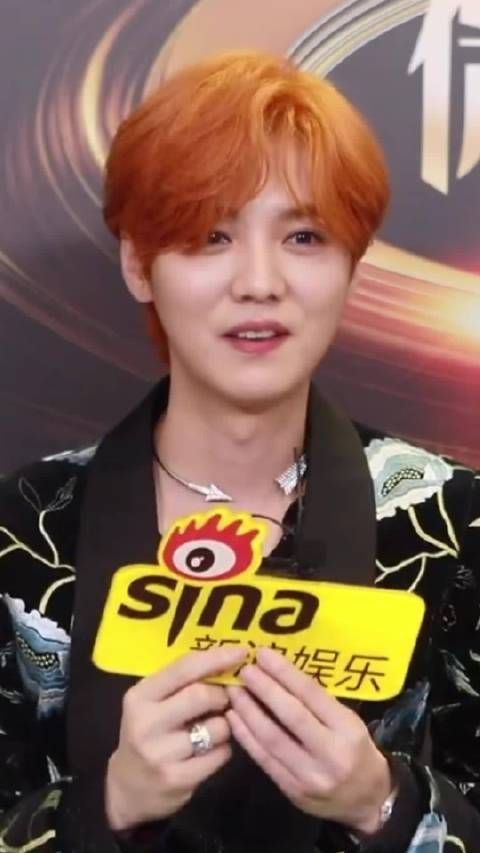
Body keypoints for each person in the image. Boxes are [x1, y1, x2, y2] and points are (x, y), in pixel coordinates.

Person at [0, 50, 479, 853]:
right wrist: (106, 806)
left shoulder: (453, 519)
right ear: (139, 264)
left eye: (304, 236)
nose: (260, 281)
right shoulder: (23, 529)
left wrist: (384, 803)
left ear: (352, 265)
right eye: (211, 235)